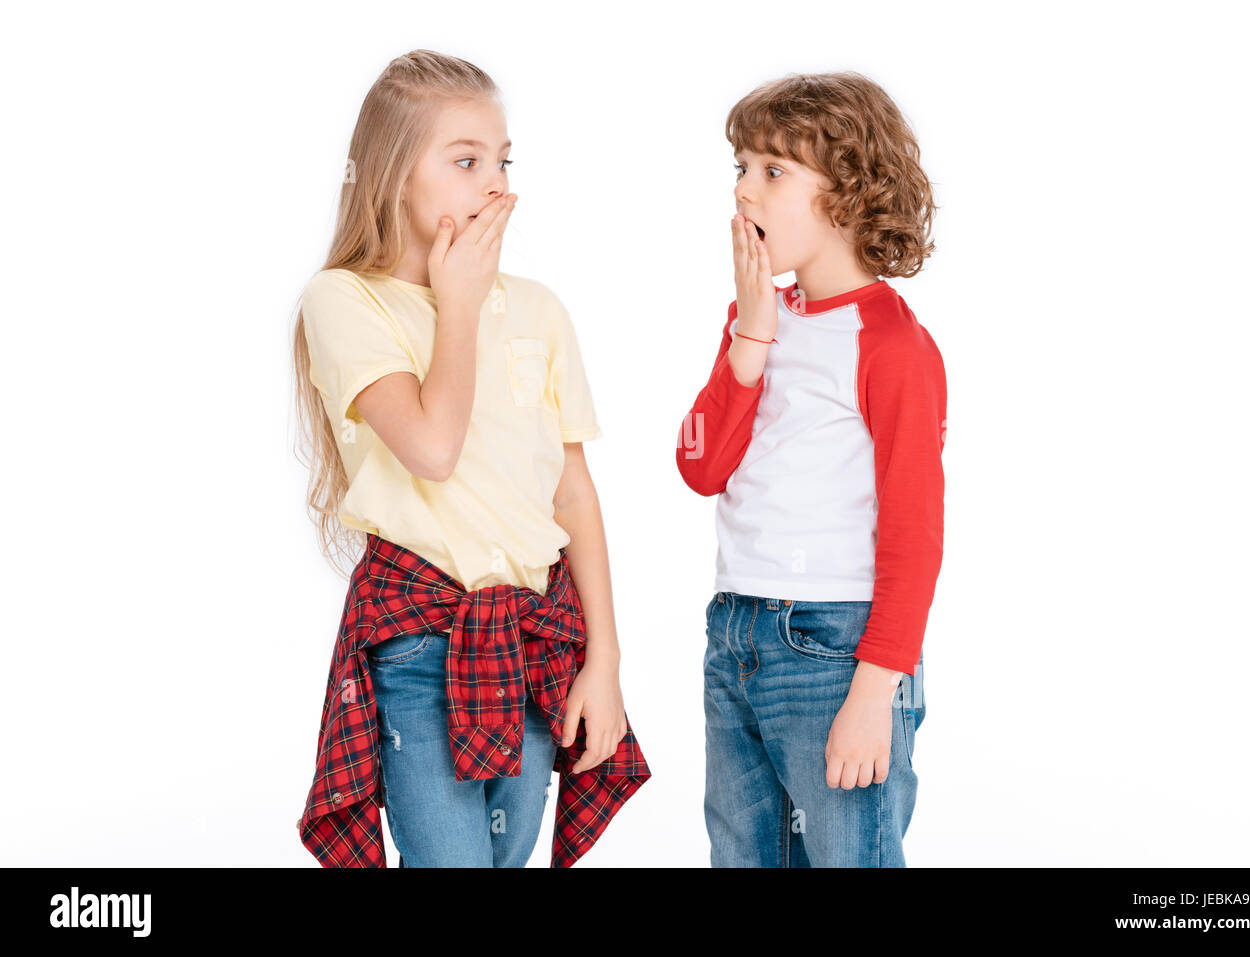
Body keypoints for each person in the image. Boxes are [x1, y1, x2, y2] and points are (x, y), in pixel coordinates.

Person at [291, 49, 646, 868]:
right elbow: (432, 447)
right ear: (393, 176)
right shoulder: (344, 300)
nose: (498, 184)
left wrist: (606, 662)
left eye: (504, 160)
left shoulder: (539, 310)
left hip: (529, 638)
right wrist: (455, 303)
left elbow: (573, 495)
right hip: (419, 644)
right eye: (466, 160)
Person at [676, 71, 946, 867]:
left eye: (772, 171)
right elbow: (699, 464)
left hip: (835, 646)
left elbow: (914, 533)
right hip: (736, 629)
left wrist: (874, 693)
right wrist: (750, 340)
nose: (744, 194)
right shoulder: (752, 323)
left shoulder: (892, 345)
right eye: (740, 168)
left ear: (851, 194)